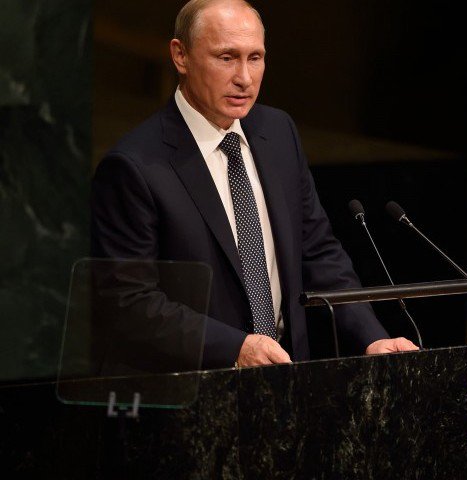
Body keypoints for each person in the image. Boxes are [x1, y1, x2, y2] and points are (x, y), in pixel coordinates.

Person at [90, 0, 418, 369]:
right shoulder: (135, 166)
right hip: (197, 394)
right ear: (180, 56)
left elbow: (318, 254)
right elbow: (128, 302)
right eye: (226, 58)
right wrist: (235, 348)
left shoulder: (278, 134)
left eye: (255, 58)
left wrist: (371, 337)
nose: (244, 78)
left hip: (289, 380)